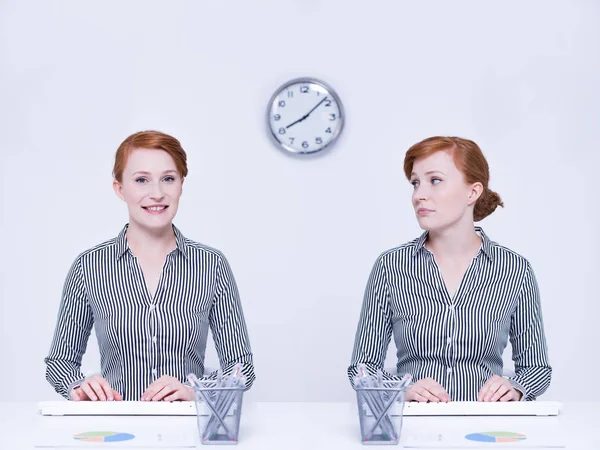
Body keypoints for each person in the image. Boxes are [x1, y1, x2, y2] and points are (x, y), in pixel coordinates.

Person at [45, 131, 255, 401]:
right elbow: (60, 362)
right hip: (115, 431)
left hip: (187, 431)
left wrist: (196, 391)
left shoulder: (211, 265)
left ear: (181, 185)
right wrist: (78, 386)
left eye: (168, 178)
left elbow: (242, 368)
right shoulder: (88, 267)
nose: (156, 193)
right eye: (141, 180)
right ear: (120, 189)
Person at [348, 136, 551, 402]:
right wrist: (401, 388)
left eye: (435, 180)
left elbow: (537, 369)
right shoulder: (390, 267)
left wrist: (514, 388)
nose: (419, 194)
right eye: (415, 183)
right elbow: (362, 369)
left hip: (486, 429)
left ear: (472, 192)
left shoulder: (515, 270)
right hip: (414, 429)